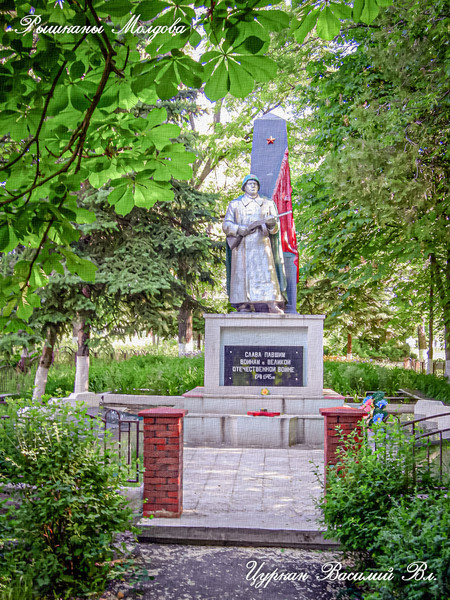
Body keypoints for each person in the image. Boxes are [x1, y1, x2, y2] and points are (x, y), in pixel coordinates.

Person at [223, 174, 287, 313]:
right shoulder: (235, 204)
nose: (253, 186)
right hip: (242, 247)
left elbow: (275, 229)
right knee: (242, 274)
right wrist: (240, 229)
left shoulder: (268, 204)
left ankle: (271, 302)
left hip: (262, 245)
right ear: (244, 187)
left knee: (266, 273)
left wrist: (271, 224)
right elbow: (226, 225)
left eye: (255, 184)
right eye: (250, 183)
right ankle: (243, 304)